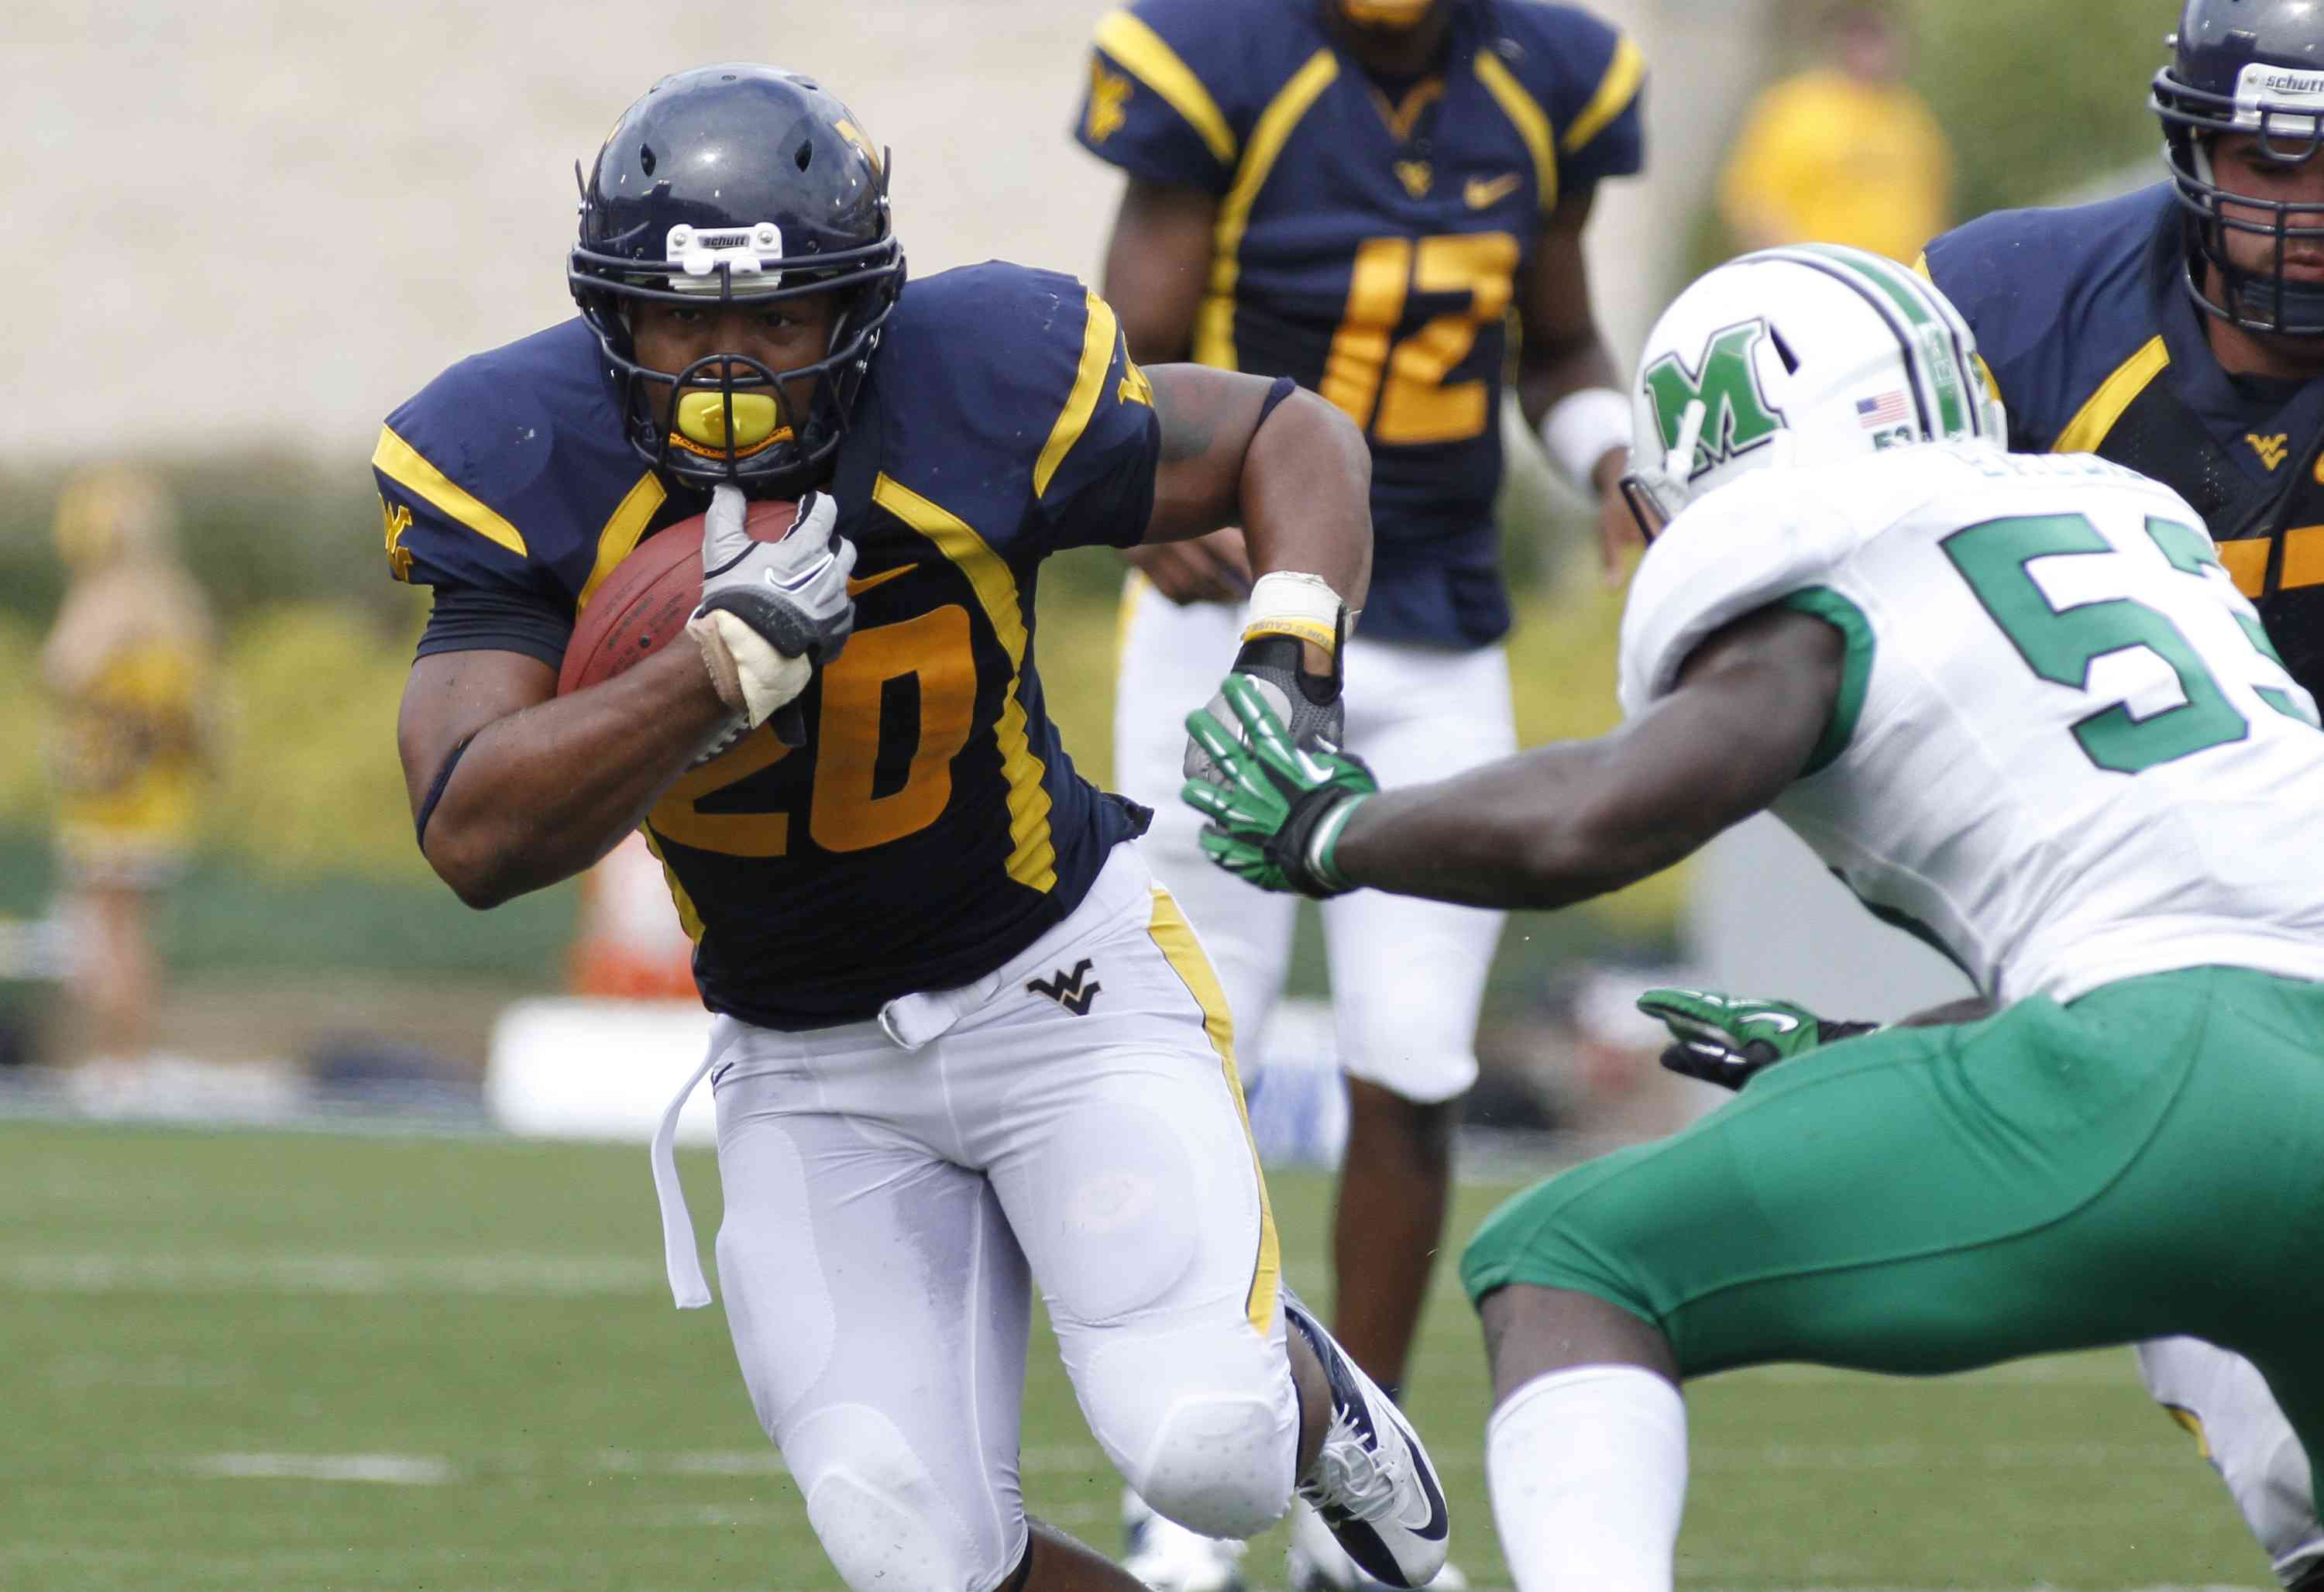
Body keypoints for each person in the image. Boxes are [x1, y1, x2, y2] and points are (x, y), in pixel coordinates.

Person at [372, 64, 1452, 1592]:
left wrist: (1291, 661)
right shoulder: (521, 451)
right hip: (806, 1058)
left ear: (864, 313)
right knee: (911, 1547)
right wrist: (713, 668)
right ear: (612, 318)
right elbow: (471, 833)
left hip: (1058, 988)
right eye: (684, 325)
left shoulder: (979, 377)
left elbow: (1294, 438)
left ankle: (1318, 1406)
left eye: (777, 322)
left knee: (1206, 1445)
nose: (728, 374)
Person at [1180, 242, 2324, 1590]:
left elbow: (1605, 815)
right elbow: (2206, 927)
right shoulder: (2129, 524)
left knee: (1565, 1261)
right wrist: (1872, 1055)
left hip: (2168, 1071)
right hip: (2241, 1048)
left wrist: (1339, 830)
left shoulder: (1832, 549)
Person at [1072, 4, 1642, 1582]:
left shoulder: (1554, 75)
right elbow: (1124, 359)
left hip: (1438, 628)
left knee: (1414, 1056)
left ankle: (1358, 1483)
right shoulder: (1223, 59)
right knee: (1192, 1042)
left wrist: (1612, 457)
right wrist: (1135, 504)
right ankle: (1186, 1476)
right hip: (1224, 623)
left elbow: (1563, 341)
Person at [1913, 2, 2324, 1580]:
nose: (2303, 201)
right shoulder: (2016, 304)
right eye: (2266, 155)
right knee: (2277, 1436)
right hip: (2128, 891)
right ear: (2192, 150)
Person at [39, 469, 217, 1072]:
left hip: (110, 793)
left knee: (107, 933)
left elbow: (63, 673)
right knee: (135, 933)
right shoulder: (178, 602)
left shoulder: (103, 602)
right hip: (160, 791)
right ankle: (129, 1056)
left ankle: (114, 1058)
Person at [1714, 1, 1951, 263]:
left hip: (1895, 284)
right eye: (1860, 37)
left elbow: (1933, 206)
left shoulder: (1911, 119)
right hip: (1821, 281)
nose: (1872, 51)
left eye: (1879, 36)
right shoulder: (1792, 110)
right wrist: (1796, 265)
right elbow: (1753, 205)